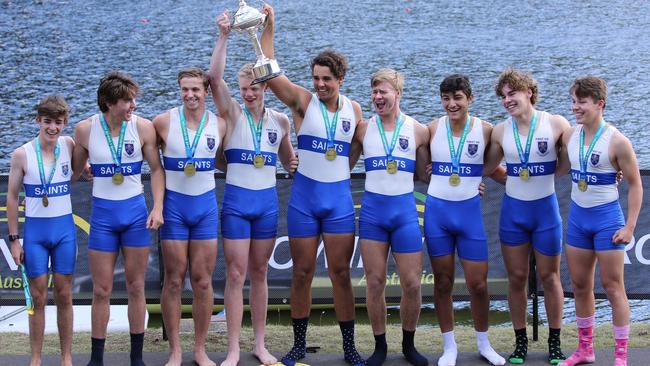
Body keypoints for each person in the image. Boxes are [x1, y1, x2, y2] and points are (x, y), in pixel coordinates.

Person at [259, 5, 365, 366]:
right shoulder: (303, 101)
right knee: (302, 273)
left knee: (340, 275)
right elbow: (269, 70)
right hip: (305, 198)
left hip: (337, 200)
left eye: (327, 80)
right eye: (316, 78)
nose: (320, 84)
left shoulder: (355, 109)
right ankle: (298, 346)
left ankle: (350, 347)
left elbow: (354, 151)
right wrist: (270, 27)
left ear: (340, 79)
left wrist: (339, 174)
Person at [208, 11, 298, 366]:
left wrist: (301, 163)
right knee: (235, 274)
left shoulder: (281, 121)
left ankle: (259, 346)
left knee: (260, 274)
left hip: (266, 206)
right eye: (244, 88)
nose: (248, 94)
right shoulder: (231, 113)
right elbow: (214, 78)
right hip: (236, 205)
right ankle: (232, 349)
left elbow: (289, 162)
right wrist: (224, 35)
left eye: (255, 88)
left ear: (265, 88)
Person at [72, 71, 165, 366]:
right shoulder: (84, 130)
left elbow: (157, 170)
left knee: (137, 287)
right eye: (127, 100)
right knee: (101, 290)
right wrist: (87, 167)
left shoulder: (144, 128)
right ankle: (96, 360)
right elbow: (74, 171)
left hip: (135, 214)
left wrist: (158, 207)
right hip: (103, 218)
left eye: (133, 99)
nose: (133, 105)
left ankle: (136, 359)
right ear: (110, 103)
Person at [484, 67, 570, 365]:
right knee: (517, 278)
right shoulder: (500, 131)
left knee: (550, 278)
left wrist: (616, 170)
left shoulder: (556, 123)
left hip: (545, 211)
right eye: (503, 96)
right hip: (513, 213)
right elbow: (485, 166)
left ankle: (555, 344)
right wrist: (506, 179)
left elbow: (577, 156)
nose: (507, 100)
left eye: (513, 93)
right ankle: (520, 343)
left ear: (529, 92)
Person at [556, 77, 642, 366]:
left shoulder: (618, 141)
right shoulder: (570, 135)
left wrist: (629, 226)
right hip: (579, 220)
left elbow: (636, 185)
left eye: (581, 102)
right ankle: (585, 350)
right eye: (573, 101)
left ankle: (620, 355)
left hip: (607, 219)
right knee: (580, 286)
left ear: (599, 104)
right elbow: (556, 166)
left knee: (613, 286)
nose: (575, 107)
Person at [425, 75, 506, 366]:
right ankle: (450, 347)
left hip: (468, 215)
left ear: (469, 99)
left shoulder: (487, 131)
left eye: (457, 98)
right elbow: (415, 164)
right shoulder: (431, 129)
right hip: (438, 214)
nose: (451, 104)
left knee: (478, 284)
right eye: (446, 98)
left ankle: (484, 344)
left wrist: (525, 182)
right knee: (443, 282)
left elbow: (495, 168)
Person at [352, 68, 429, 366]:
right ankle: (380, 346)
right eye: (374, 92)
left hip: (404, 214)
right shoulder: (362, 128)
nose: (377, 97)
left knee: (412, 283)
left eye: (383, 92)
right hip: (373, 214)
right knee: (374, 283)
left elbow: (427, 172)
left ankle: (408, 345)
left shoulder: (418, 130)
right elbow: (341, 163)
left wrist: (470, 183)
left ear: (398, 94)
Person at [152, 67, 226, 366]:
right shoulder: (162, 122)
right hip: (174, 209)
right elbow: (144, 158)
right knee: (173, 280)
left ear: (206, 92)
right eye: (185, 89)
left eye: (196, 89)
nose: (190, 95)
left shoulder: (219, 124)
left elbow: (231, 158)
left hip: (205, 208)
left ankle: (199, 349)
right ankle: (175, 351)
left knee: (203, 281)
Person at [8, 95, 78, 366]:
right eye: (48, 121)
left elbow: (81, 169)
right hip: (36, 235)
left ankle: (66, 357)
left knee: (64, 295)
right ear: (38, 121)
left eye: (58, 122)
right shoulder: (22, 154)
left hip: (64, 233)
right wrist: (15, 240)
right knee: (38, 298)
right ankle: (36, 359)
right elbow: (13, 197)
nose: (53, 128)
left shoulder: (69, 145)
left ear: (64, 123)